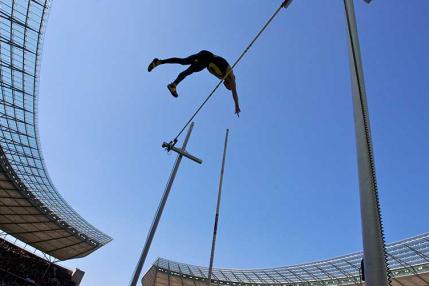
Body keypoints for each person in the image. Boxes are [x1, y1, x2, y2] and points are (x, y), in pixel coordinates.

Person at [148, 50, 241, 116]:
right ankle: (171, 80)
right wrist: (236, 106)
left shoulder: (222, 77)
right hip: (206, 57)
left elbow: (210, 69)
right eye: (229, 85)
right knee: (185, 65)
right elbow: (234, 92)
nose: (228, 85)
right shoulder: (230, 75)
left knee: (184, 64)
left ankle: (161, 65)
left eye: (227, 86)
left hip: (205, 62)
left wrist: (205, 66)